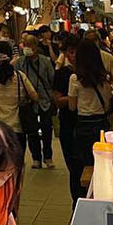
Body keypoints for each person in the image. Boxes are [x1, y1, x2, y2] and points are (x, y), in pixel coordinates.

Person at [66, 39, 113, 204]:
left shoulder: (75, 79)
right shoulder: (105, 79)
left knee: (81, 167)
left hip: (83, 128)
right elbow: (108, 104)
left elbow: (72, 107)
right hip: (101, 126)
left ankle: (82, 202)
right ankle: (101, 198)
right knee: (101, 166)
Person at [18, 35, 55, 170]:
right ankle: (36, 158)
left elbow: (52, 79)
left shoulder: (45, 61)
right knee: (31, 131)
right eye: (24, 44)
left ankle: (48, 156)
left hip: (44, 100)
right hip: (27, 102)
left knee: (46, 128)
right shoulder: (20, 62)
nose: (26, 48)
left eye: (29, 45)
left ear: (35, 46)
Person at [52, 34, 79, 181]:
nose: (74, 55)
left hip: (84, 125)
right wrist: (75, 97)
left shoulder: (87, 72)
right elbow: (58, 101)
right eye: (71, 51)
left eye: (77, 52)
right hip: (67, 124)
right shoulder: (61, 74)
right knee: (73, 169)